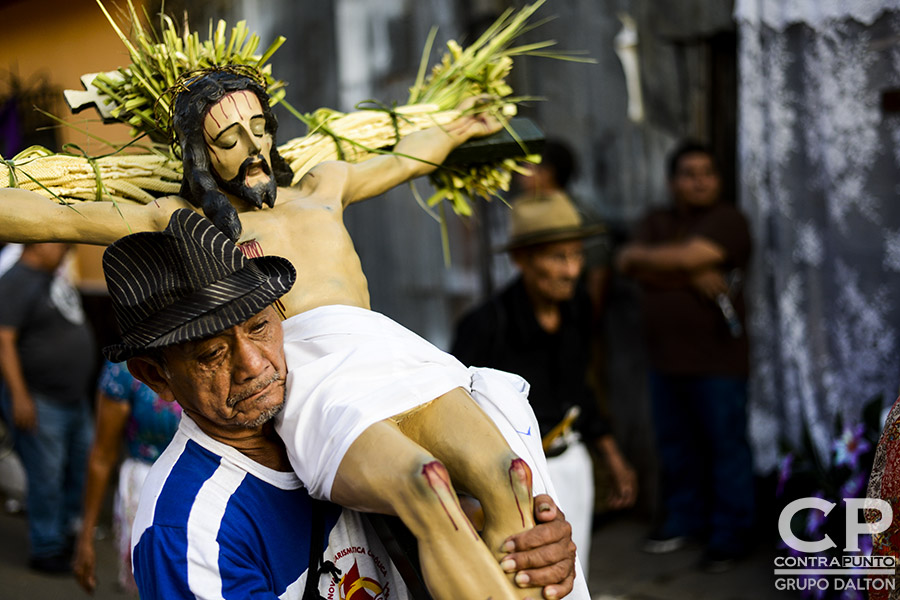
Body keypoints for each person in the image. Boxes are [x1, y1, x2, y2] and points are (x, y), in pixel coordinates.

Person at [0, 69, 589, 598]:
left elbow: (408, 158)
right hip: (322, 383)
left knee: (506, 477)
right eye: (228, 139)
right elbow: (58, 216)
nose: (252, 148)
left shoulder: (325, 186)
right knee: (428, 486)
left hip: (395, 354)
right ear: (199, 153)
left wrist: (459, 126)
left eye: (258, 128)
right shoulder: (185, 222)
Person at [103, 209, 578, 600]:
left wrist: (532, 552)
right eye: (212, 353)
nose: (253, 364)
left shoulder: (339, 422)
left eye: (260, 327)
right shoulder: (189, 530)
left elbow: (463, 530)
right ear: (153, 375)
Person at [452, 192, 637, 572]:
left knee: (575, 569)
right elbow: (457, 416)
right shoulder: (485, 326)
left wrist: (613, 458)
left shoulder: (578, 308)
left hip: (572, 461)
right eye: (559, 257)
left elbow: (580, 391)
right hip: (514, 480)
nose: (572, 270)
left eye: (577, 255)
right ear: (522, 260)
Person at [616, 140, 754, 570]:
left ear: (718, 179)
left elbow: (690, 255)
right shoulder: (657, 220)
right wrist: (689, 272)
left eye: (707, 173)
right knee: (677, 449)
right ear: (673, 181)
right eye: (688, 173)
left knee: (725, 450)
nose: (699, 181)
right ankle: (684, 522)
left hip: (717, 363)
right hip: (664, 361)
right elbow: (625, 260)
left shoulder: (728, 220)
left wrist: (658, 266)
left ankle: (731, 536)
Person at [0, 243, 96, 573]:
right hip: (41, 399)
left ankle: (67, 533)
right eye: (60, 242)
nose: (66, 249)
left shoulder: (50, 275)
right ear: (39, 243)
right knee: (47, 476)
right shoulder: (16, 279)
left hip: (73, 398)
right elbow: (3, 341)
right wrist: (19, 397)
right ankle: (46, 547)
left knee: (78, 467)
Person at [73, 360, 182, 594]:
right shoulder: (127, 367)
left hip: (207, 489)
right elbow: (101, 455)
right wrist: (85, 538)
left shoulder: (212, 351)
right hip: (143, 490)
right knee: (155, 585)